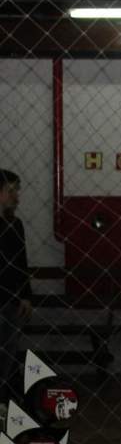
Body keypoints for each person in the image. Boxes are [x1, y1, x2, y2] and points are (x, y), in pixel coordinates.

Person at [0, 169, 32, 421]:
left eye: (16, 190)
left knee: (7, 354)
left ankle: (2, 401)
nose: (16, 196)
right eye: (11, 190)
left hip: (11, 302)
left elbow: (21, 263)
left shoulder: (14, 224)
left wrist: (26, 296)